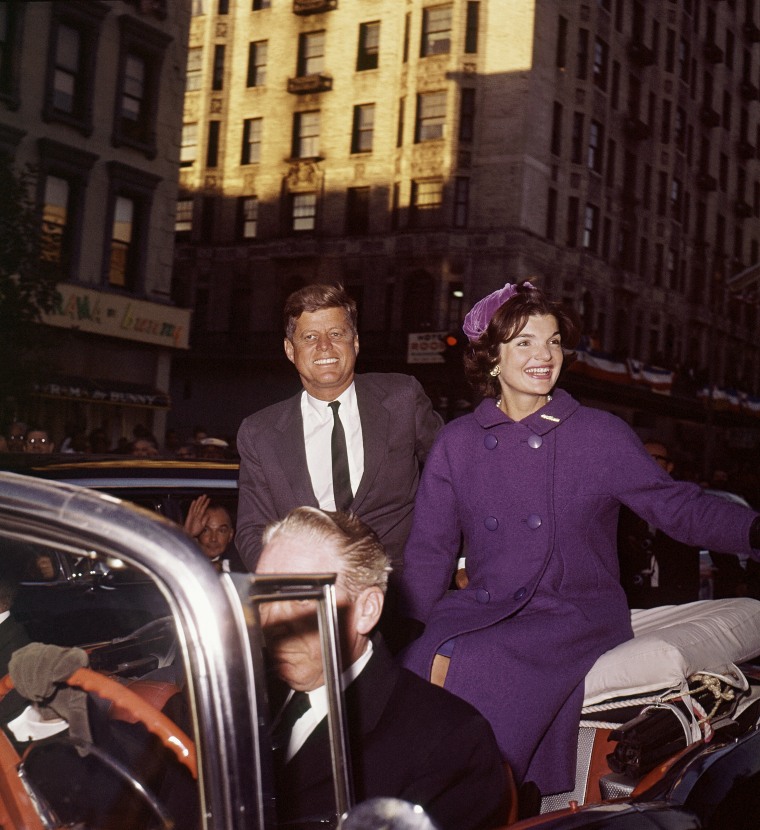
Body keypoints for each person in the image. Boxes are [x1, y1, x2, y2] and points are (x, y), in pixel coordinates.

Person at [398, 281, 760, 800]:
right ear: (492, 359)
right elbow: (429, 549)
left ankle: (484, 799)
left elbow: (674, 505)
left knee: (483, 662)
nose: (544, 355)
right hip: (486, 602)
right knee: (420, 657)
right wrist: (409, 621)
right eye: (524, 342)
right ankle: (425, 801)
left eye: (553, 341)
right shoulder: (458, 442)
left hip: (574, 610)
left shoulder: (598, 433)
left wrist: (751, 530)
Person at [256, 506, 508, 830]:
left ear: (367, 610)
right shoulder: (228, 702)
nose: (271, 623)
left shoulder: (450, 744)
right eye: (263, 598)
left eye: (298, 600)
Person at [236, 283, 442, 631]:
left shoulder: (402, 398)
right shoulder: (260, 432)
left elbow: (455, 483)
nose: (325, 347)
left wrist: (462, 561)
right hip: (312, 613)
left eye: (336, 333)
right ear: (290, 349)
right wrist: (293, 593)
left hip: (405, 603)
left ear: (356, 342)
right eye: (310, 337)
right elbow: (252, 530)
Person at [617, 441, 701, 607]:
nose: (647, 462)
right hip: (631, 602)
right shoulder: (619, 505)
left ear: (669, 467)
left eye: (655, 458)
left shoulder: (684, 504)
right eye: (642, 457)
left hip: (674, 601)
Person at [183, 496, 245, 573]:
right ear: (197, 534)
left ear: (230, 535)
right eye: (206, 530)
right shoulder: (182, 561)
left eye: (221, 531)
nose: (213, 539)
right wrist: (186, 536)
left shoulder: (243, 565)